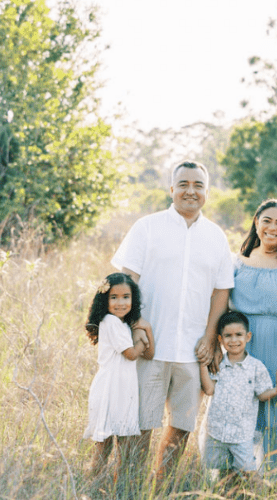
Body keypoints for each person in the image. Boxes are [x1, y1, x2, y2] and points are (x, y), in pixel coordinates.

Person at [112, 160, 234, 481]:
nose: (190, 191)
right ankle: (129, 486)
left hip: (193, 351)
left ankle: (160, 485)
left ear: (207, 192)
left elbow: (221, 293)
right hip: (150, 346)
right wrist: (137, 323)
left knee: (182, 426)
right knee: (140, 424)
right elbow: (126, 280)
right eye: (183, 184)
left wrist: (210, 337)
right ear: (172, 189)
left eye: (198, 185)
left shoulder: (216, 237)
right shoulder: (147, 227)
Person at [201, 198, 277, 478]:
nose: (272, 228)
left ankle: (273, 475)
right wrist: (216, 344)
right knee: (235, 405)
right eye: (267, 221)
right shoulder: (236, 263)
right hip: (239, 346)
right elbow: (221, 304)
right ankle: (232, 473)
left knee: (275, 408)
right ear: (256, 223)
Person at [82, 273, 154, 483]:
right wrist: (142, 342)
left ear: (133, 299)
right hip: (110, 389)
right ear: (105, 300)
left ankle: (118, 485)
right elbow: (132, 354)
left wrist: (146, 329)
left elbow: (150, 355)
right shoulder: (111, 321)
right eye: (114, 297)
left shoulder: (124, 324)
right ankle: (93, 482)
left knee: (123, 440)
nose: (120, 302)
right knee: (104, 443)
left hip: (123, 389)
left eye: (126, 297)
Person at [198, 310, 277, 484]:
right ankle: (227, 498)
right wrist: (203, 366)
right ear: (220, 339)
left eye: (238, 335)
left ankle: (261, 497)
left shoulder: (256, 367)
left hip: (241, 433)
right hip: (217, 431)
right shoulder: (218, 363)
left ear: (248, 336)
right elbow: (209, 390)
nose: (233, 340)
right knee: (221, 470)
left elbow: (263, 394)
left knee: (248, 471)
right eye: (228, 336)